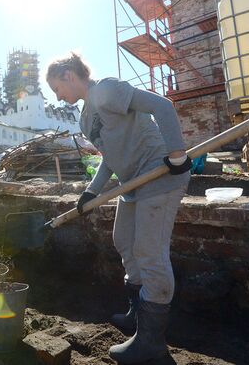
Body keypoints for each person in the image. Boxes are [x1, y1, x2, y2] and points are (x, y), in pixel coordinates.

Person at [46, 53, 191, 364]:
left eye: (57, 88)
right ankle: (139, 315)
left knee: (150, 253)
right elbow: (110, 157)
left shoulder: (107, 90)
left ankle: (152, 342)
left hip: (159, 174)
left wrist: (177, 154)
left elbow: (161, 106)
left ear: (70, 75)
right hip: (132, 184)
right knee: (123, 241)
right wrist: (91, 191)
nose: (58, 96)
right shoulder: (86, 118)